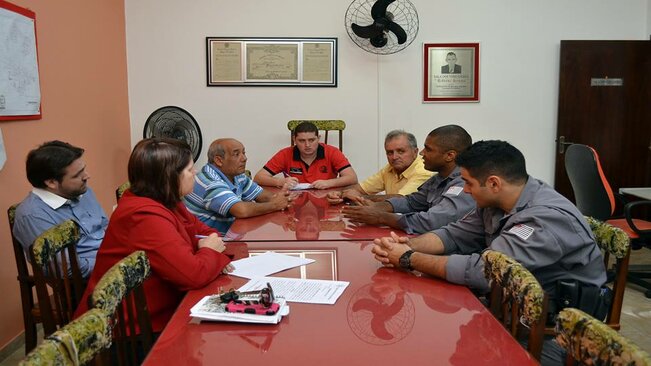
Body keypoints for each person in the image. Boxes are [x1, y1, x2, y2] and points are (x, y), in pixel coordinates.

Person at [371, 140, 608, 365]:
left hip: (557, 333)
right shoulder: (497, 202)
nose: (464, 190)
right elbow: (454, 234)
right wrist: (403, 246)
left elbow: (484, 272)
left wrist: (407, 258)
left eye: (468, 182)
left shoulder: (544, 219)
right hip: (511, 311)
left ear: (494, 183)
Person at [75, 138, 232, 335]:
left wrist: (208, 249)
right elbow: (192, 275)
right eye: (190, 170)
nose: (195, 174)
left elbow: (206, 231)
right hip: (127, 331)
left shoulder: (167, 200)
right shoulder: (143, 215)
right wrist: (209, 251)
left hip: (160, 310)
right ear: (169, 177)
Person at [342, 125, 476, 235]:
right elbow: (412, 201)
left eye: (428, 149)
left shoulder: (464, 183)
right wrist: (377, 207)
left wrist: (380, 216)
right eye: (389, 152)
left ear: (449, 156)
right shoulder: (438, 178)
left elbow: (432, 221)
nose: (422, 153)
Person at [12, 140, 108, 278]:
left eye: (83, 169)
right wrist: (112, 264)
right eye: (77, 175)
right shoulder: (32, 215)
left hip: (110, 262)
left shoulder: (82, 191)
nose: (87, 176)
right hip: (84, 282)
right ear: (51, 182)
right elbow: (66, 269)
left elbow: (105, 228)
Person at [184, 138, 293, 234]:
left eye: (244, 153)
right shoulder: (210, 182)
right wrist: (275, 205)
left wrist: (283, 196)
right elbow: (241, 210)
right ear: (219, 160)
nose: (244, 158)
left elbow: (261, 195)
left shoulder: (237, 175)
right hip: (207, 242)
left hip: (230, 234)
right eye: (236, 154)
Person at [327, 130, 432, 204]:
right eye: (389, 152)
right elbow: (361, 188)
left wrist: (359, 197)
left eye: (401, 151)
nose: (394, 157)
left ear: (415, 152)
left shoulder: (423, 170)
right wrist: (338, 193)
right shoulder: (389, 169)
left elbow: (401, 200)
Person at [254, 122, 358, 189]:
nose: (307, 145)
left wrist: (329, 183)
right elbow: (258, 178)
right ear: (294, 140)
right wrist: (280, 181)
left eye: (312, 140)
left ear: (318, 138)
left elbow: (352, 178)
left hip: (327, 197)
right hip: (293, 200)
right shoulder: (285, 154)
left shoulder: (332, 152)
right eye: (302, 141)